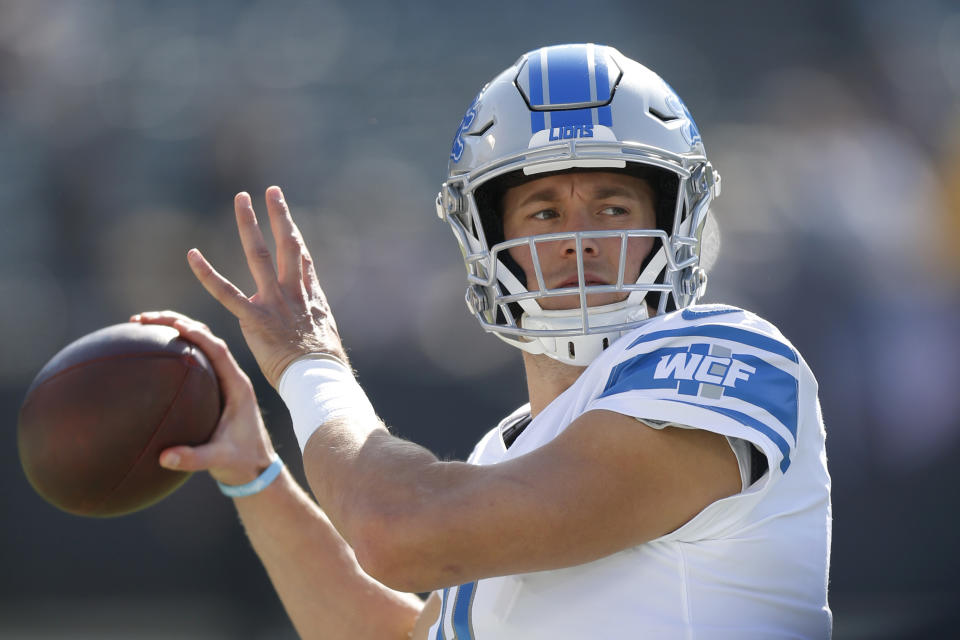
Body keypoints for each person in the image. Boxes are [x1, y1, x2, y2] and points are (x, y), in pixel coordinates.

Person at [133, 44, 832, 639]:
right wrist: (254, 473)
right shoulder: (505, 455)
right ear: (491, 239)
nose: (579, 236)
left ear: (677, 219)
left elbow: (393, 530)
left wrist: (309, 367)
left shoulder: (732, 354)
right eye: (544, 210)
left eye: (613, 206)